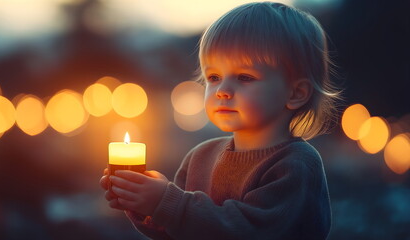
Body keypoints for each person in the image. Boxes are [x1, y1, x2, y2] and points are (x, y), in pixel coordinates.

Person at [100, 2, 341, 239]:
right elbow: (181, 230)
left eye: (245, 77)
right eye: (213, 76)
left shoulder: (295, 164)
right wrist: (146, 205)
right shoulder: (201, 156)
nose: (222, 90)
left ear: (295, 93)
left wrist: (166, 201)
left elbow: (247, 231)